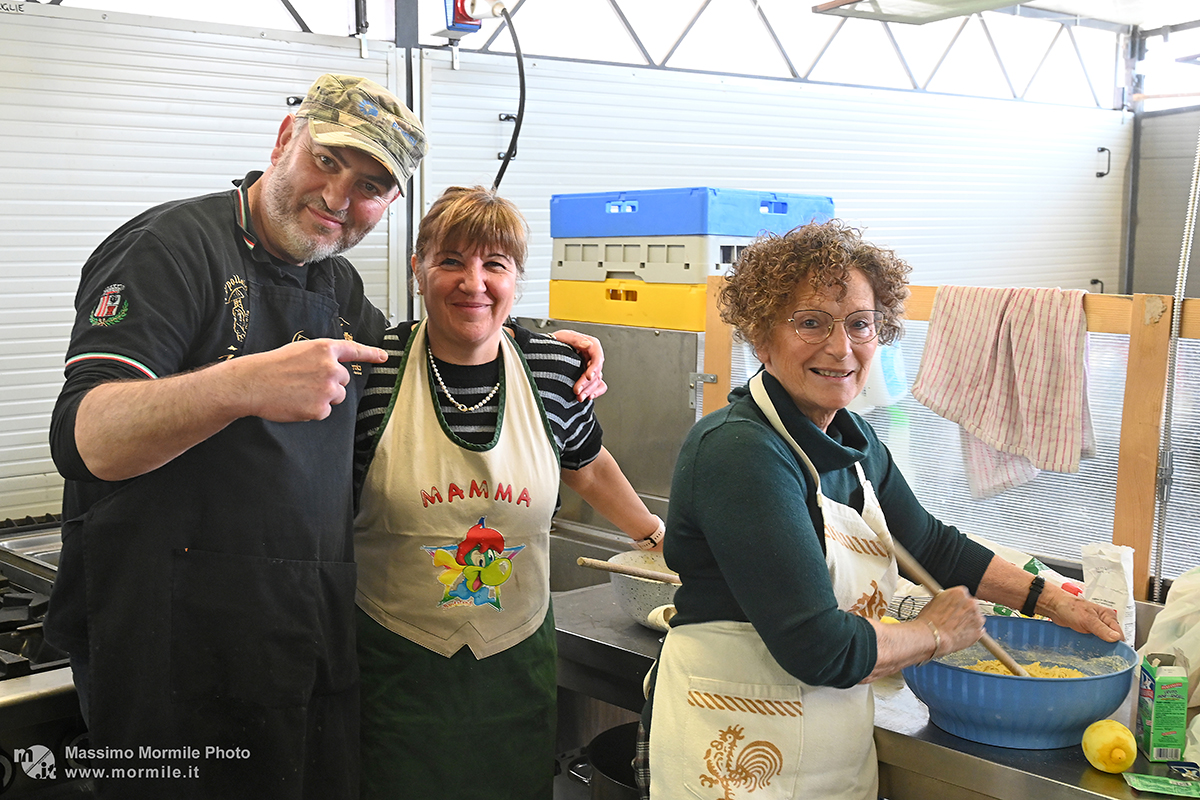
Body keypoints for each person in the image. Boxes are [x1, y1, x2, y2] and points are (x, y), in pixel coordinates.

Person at [43, 75, 602, 799]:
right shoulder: (171, 249)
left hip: (297, 645)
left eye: (369, 184)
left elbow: (438, 352)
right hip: (168, 659)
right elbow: (87, 436)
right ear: (284, 142)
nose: (340, 196)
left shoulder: (336, 290)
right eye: (328, 161)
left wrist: (548, 353)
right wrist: (241, 385)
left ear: (389, 205)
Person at [638, 220, 1124, 800]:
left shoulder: (855, 441)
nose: (840, 347)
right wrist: (934, 634)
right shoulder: (742, 451)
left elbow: (931, 545)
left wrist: (1051, 601)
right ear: (761, 338)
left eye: (859, 324)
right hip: (729, 743)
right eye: (810, 322)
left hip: (828, 744)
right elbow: (820, 647)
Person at [352, 185, 664, 799]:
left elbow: (587, 465)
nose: (474, 282)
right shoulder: (371, 369)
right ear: (418, 270)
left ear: (517, 278)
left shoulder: (551, 368)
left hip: (515, 664)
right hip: (393, 665)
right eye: (451, 261)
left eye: (494, 264)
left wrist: (654, 536)